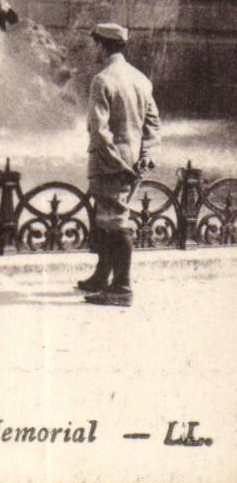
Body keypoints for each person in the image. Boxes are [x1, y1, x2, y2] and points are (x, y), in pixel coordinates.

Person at [79, 22, 160, 307]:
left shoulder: (102, 80)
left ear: (102, 45)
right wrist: (145, 158)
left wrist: (116, 164)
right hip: (134, 160)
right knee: (108, 215)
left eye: (96, 45)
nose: (94, 50)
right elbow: (153, 126)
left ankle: (122, 288)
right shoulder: (141, 79)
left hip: (110, 162)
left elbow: (99, 131)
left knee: (115, 220)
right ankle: (102, 276)